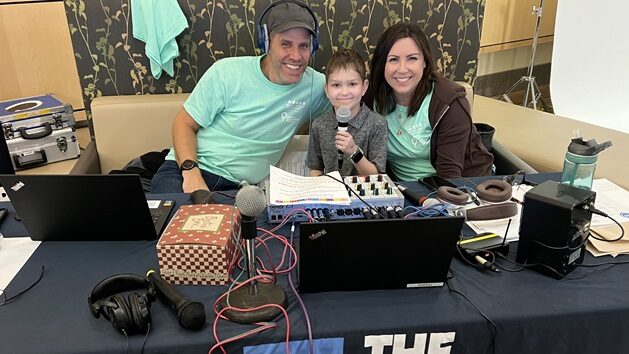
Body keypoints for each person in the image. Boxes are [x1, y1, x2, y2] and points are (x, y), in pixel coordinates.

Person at [151, 1, 331, 193]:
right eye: (286, 44)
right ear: (266, 43)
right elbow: (183, 123)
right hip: (188, 172)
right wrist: (191, 173)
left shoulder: (317, 86)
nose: (296, 56)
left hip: (239, 190)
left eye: (304, 46)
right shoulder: (226, 72)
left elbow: (350, 109)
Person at [367, 23, 493, 180]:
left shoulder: (449, 103)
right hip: (403, 192)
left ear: (424, 62)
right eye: (393, 60)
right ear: (382, 64)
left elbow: (450, 179)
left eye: (412, 58)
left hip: (461, 188)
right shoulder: (371, 98)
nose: (402, 69)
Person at [307, 49, 387, 177]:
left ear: (364, 87)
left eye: (352, 84)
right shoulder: (319, 125)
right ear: (327, 90)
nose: (344, 92)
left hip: (364, 195)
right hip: (330, 194)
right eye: (336, 85)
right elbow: (315, 169)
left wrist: (353, 152)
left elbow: (377, 176)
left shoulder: (376, 124)